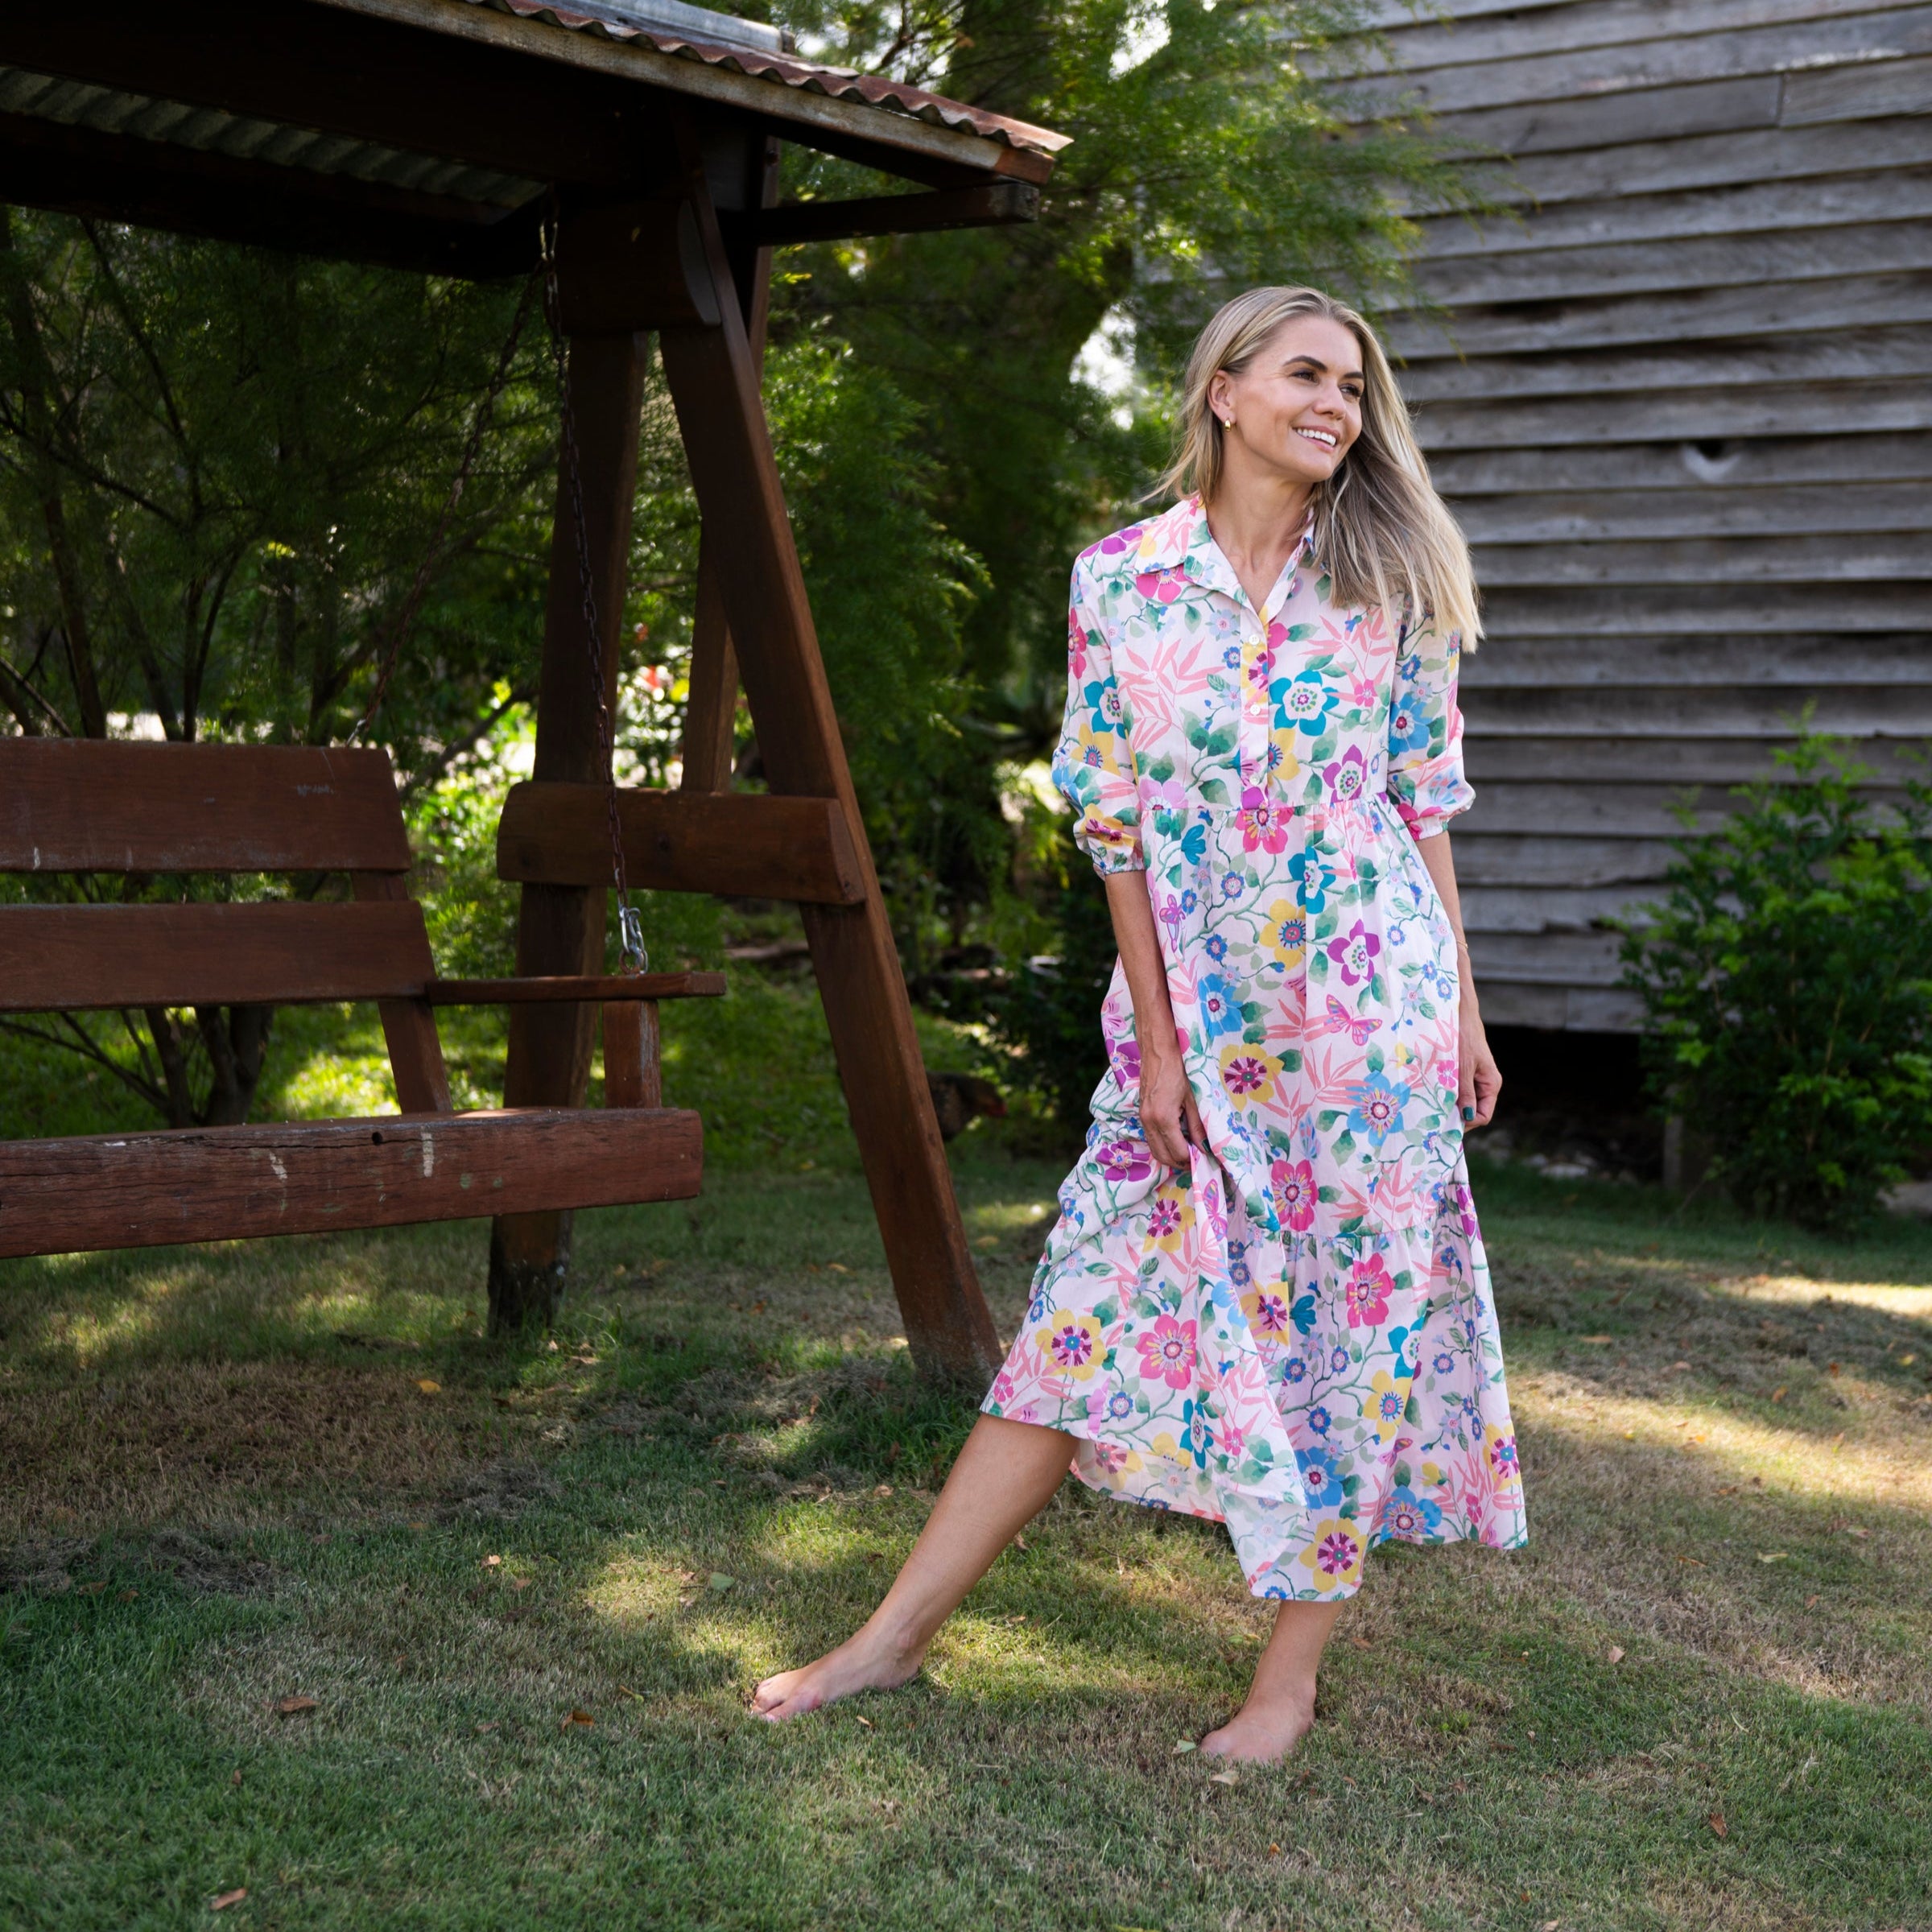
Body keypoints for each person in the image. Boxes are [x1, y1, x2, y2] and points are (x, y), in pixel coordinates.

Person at [753, 285, 1525, 1761]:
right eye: (1308, 375)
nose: (1339, 406)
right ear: (1222, 390)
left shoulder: (1391, 588)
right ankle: (888, 1639)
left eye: (1355, 388)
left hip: (1371, 1015)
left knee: (1355, 1333)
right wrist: (1158, 1049)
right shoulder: (1120, 581)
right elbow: (1111, 827)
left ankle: (1286, 1682)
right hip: (1196, 1022)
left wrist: (1467, 1018)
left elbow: (1422, 807)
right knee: (1083, 1311)